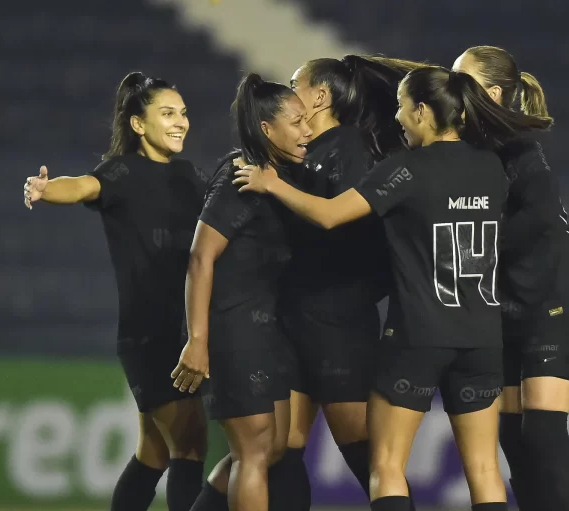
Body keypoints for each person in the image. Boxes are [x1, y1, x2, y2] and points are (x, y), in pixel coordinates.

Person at [234, 66, 552, 511]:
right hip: (481, 340)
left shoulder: (405, 170)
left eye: (403, 109)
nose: (398, 119)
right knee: (484, 472)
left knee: (385, 466)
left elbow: (329, 214)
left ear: (423, 111)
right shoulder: (489, 166)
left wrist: (271, 184)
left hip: (418, 337)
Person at [22, 72, 208, 511]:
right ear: (139, 124)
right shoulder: (120, 171)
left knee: (154, 453)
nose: (180, 121)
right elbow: (84, 185)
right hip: (152, 335)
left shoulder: (190, 176)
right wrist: (48, 189)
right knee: (190, 448)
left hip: (179, 331)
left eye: (183, 113)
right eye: (167, 113)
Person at [256, 54, 409, 509]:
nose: (286, 92)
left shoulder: (351, 148)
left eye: (293, 83)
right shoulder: (306, 153)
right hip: (297, 323)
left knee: (367, 455)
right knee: (282, 449)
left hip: (338, 327)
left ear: (320, 95)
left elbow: (354, 230)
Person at [453, 46, 569, 511]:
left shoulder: (517, 146)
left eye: (462, 79)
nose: (452, 88)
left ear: (492, 93)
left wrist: (476, 249)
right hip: (512, 303)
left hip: (553, 297)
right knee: (514, 437)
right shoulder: (476, 149)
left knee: (542, 429)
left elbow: (537, 219)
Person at [175, 73, 312, 511]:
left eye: (308, 120)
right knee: (253, 452)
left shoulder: (279, 177)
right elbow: (200, 257)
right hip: (232, 328)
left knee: (268, 449)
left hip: (265, 329)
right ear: (268, 129)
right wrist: (197, 341)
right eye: (296, 122)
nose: (306, 130)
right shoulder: (243, 173)